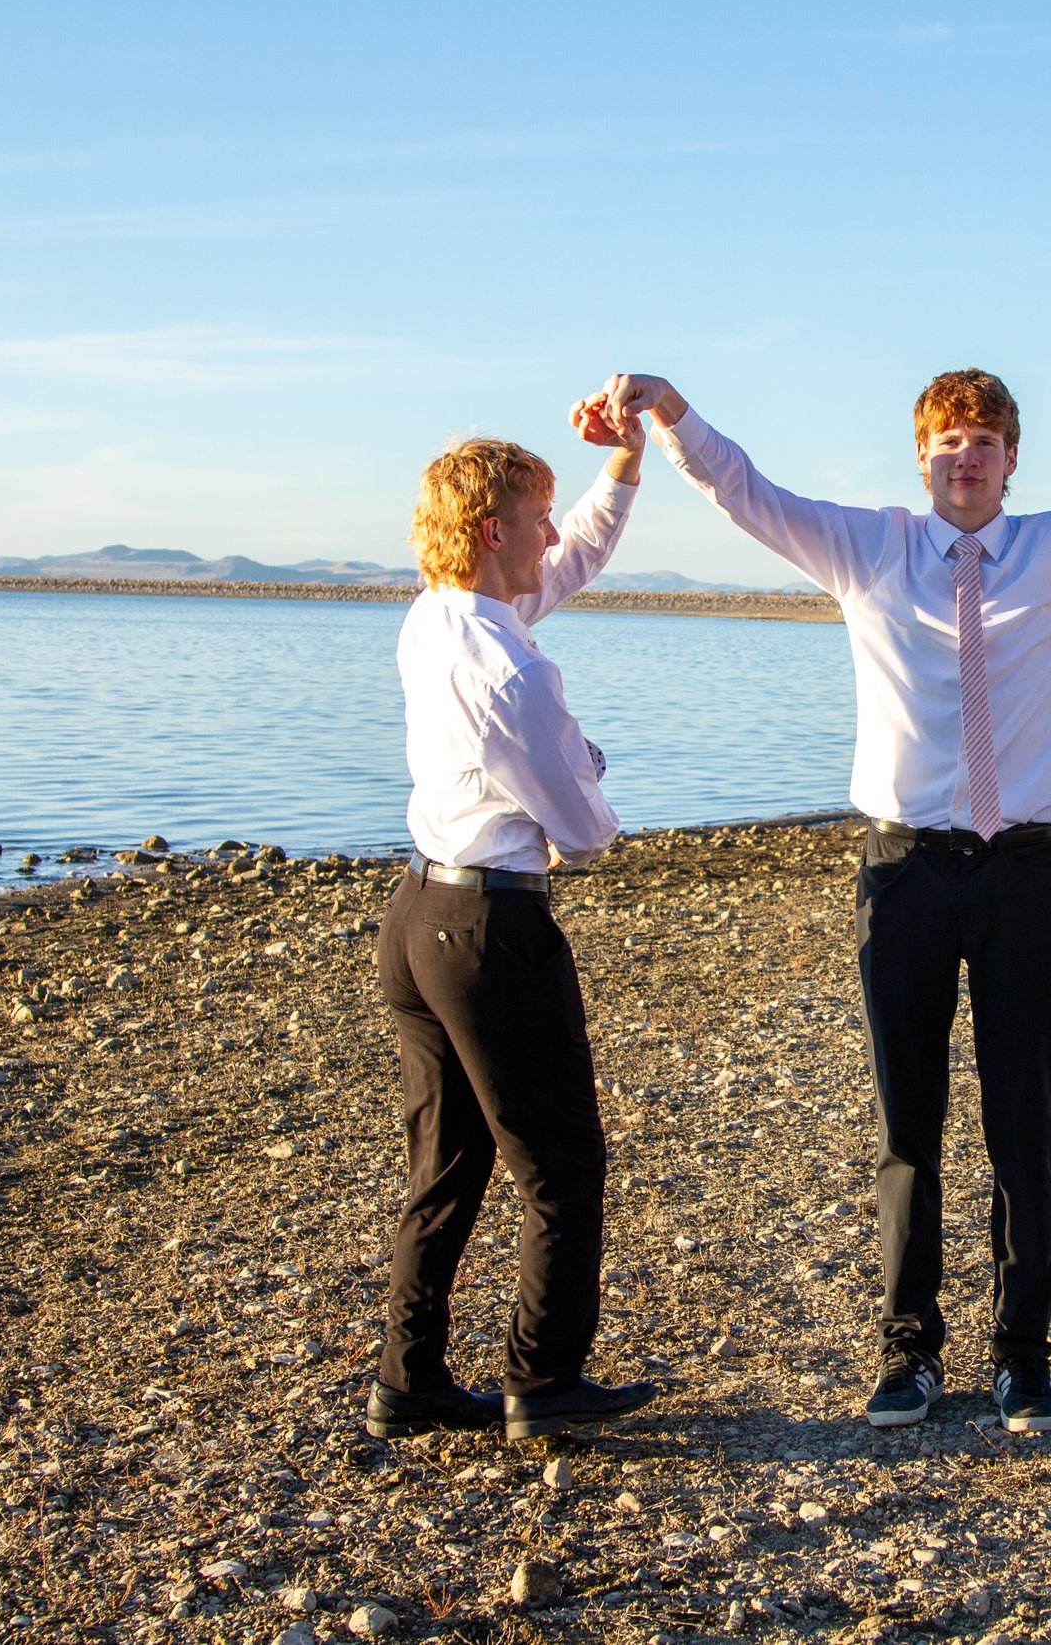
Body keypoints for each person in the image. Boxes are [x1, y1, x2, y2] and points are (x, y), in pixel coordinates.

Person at [583, 346, 1051, 1432]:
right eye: (945, 444)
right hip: (903, 871)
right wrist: (672, 411)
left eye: (980, 443)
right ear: (921, 461)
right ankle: (908, 1351)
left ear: (1010, 458)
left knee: (1025, 1117)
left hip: (1022, 870)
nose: (962, 460)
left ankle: (1024, 1351)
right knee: (906, 1121)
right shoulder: (867, 548)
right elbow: (745, 489)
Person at [364, 405, 660, 1446]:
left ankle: (409, 1376)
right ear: (494, 528)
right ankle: (543, 1378)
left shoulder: (435, 614)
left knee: (445, 1160)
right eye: (536, 516)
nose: (551, 533)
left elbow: (572, 554)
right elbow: (584, 831)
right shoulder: (515, 669)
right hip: (490, 927)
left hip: (416, 915)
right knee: (560, 1164)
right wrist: (591, 769)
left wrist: (624, 458)